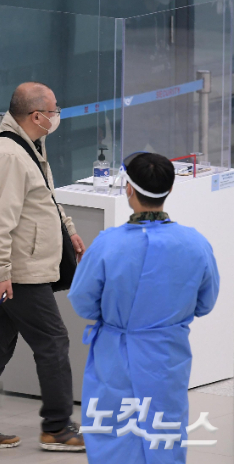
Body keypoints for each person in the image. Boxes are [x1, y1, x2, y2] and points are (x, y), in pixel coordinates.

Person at [0, 82, 87, 451]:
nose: (58, 114)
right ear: (36, 116)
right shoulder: (7, 156)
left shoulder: (30, 144)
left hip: (17, 267)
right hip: (19, 272)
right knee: (53, 342)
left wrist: (69, 231)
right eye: (54, 109)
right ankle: (57, 429)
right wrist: (0, 273)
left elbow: (45, 195)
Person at [69, 153, 219, 464]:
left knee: (114, 435)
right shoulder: (195, 244)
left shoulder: (107, 245)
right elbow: (206, 302)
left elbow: (82, 300)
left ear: (129, 190)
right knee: (164, 431)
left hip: (115, 354)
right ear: (169, 190)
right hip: (167, 356)